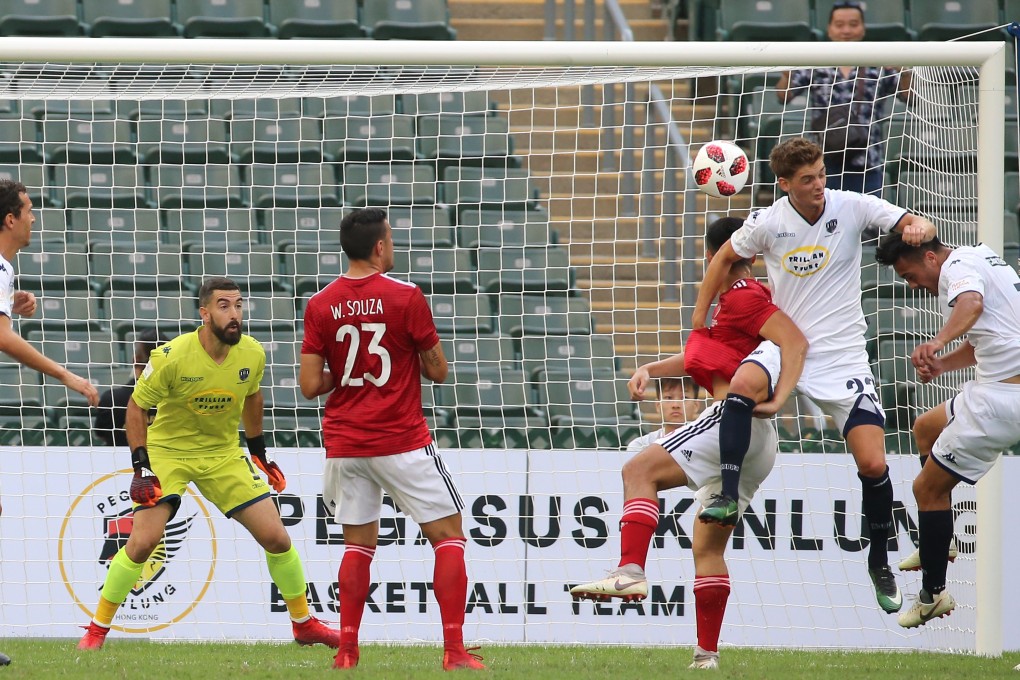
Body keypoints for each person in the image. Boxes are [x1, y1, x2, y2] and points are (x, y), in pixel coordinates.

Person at [691, 137, 938, 614]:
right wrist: (699, 320)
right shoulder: (767, 223)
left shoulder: (849, 206)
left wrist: (919, 223)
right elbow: (723, 257)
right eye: (808, 180)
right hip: (786, 346)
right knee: (742, 386)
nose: (819, 185)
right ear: (784, 184)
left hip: (843, 356)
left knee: (873, 465)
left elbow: (904, 219)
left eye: (822, 174)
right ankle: (725, 491)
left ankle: (880, 561)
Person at [570, 216, 807, 670]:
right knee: (708, 545)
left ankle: (630, 571)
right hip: (756, 441)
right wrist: (652, 369)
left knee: (638, 471)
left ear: (713, 257)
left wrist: (779, 397)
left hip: (732, 421)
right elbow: (708, 355)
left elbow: (794, 342)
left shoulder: (743, 297)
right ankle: (706, 656)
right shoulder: (732, 305)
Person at [78, 277, 340, 651]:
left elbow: (252, 397)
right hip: (169, 453)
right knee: (143, 543)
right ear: (204, 313)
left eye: (238, 305)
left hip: (222, 455)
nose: (234, 314)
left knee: (277, 538)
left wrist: (259, 452)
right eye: (224, 306)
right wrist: (142, 466)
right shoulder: (170, 357)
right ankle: (96, 630)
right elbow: (135, 407)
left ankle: (304, 624)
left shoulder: (251, 353)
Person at [298, 207, 484, 672]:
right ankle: (454, 651)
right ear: (379, 247)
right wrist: (406, 359)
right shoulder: (406, 297)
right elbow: (438, 371)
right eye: (391, 239)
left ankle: (346, 651)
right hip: (400, 438)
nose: (394, 245)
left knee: (358, 546)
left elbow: (309, 385)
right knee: (449, 538)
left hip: (345, 444)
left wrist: (346, 371)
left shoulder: (320, 303)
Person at [874, 232, 1020, 628]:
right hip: (995, 385)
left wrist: (936, 343)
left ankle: (932, 594)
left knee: (926, 489)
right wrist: (942, 365)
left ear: (930, 257)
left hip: (1000, 400)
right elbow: (987, 337)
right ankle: (941, 538)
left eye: (910, 275)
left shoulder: (957, 272)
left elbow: (971, 305)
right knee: (926, 427)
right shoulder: (979, 256)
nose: (913, 285)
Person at [0, 179, 99, 668]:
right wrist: (67, 375)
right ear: (10, 219)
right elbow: (1, 339)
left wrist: (8, 305)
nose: (35, 218)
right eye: (30, 210)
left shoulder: (4, 271)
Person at [775, 1, 910, 196]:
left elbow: (910, 97)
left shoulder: (878, 64)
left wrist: (904, 72)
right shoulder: (816, 63)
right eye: (839, 25)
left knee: (869, 223)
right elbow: (783, 96)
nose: (846, 30)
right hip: (822, 163)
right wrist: (786, 73)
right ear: (829, 29)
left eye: (853, 24)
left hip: (867, 162)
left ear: (863, 29)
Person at [93, 328, 168, 447]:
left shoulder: (111, 400)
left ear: (135, 359)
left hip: (120, 463)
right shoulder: (175, 400)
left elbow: (101, 434)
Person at [626, 377, 704, 453]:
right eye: (669, 397)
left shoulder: (706, 445)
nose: (676, 405)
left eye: (684, 397)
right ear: (658, 405)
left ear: (696, 406)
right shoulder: (640, 446)